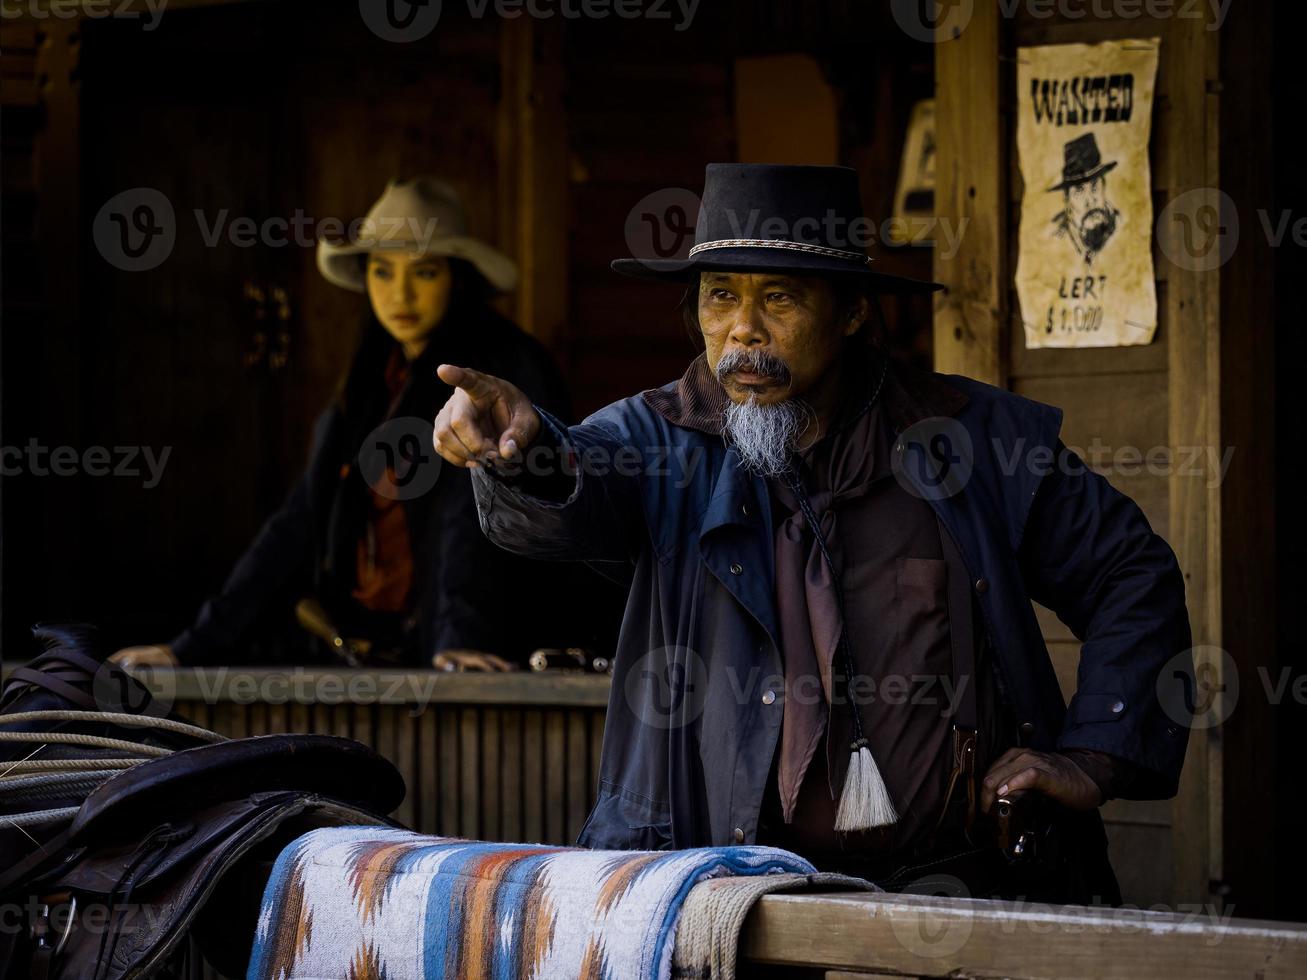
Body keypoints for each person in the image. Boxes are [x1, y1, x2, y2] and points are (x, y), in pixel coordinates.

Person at [430, 164, 1193, 902]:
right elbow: (567, 482)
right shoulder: (657, 437)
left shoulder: (973, 442)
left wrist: (1095, 754)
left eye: (780, 299)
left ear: (852, 312)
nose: (741, 332)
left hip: (960, 889)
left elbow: (1129, 572)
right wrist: (526, 451)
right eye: (719, 296)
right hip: (721, 903)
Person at [114, 177, 577, 672]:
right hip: (370, 654)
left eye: (423, 273)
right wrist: (188, 648)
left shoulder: (504, 370)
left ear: (456, 278)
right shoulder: (368, 382)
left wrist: (462, 636)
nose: (399, 293)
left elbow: (475, 509)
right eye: (382, 272)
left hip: (481, 653)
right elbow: (299, 520)